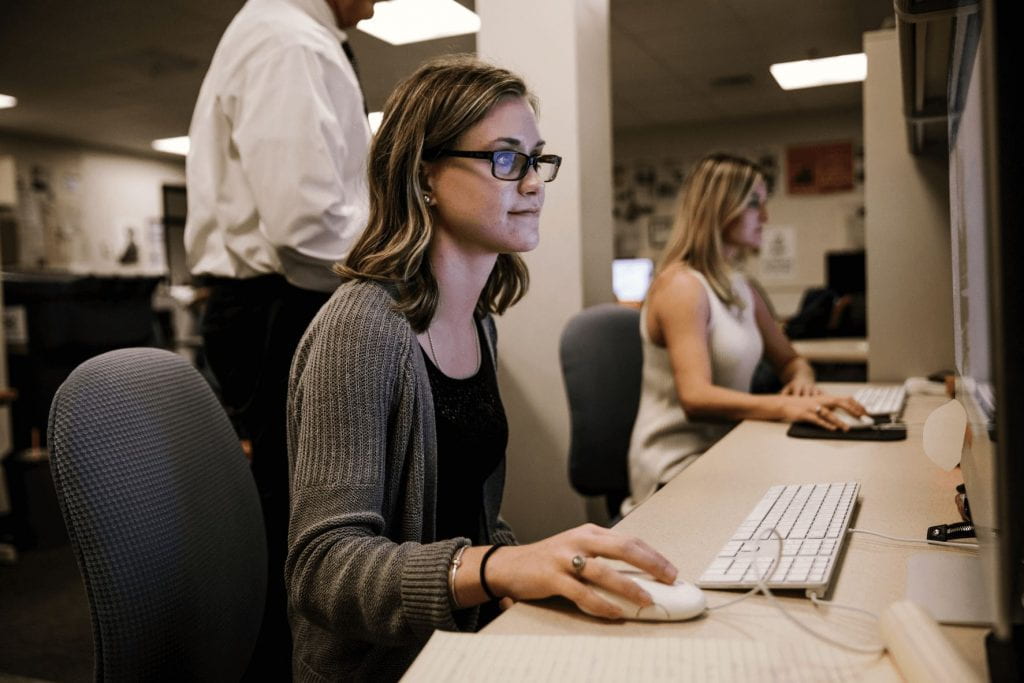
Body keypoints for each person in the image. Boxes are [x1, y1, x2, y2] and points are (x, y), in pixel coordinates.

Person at [286, 55, 678, 681]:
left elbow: (469, 516)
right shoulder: (360, 329)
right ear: (424, 177)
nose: (533, 183)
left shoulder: (477, 320)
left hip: (466, 642)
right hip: (388, 667)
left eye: (536, 159)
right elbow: (323, 569)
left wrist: (530, 568)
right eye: (505, 159)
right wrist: (496, 568)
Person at [184, 0, 383, 677]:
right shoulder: (289, 41)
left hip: (278, 296)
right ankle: (281, 664)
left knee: (294, 501)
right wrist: (399, 259)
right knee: (296, 512)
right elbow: (305, 220)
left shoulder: (297, 34)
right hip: (279, 299)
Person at [622, 153, 867, 514]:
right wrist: (789, 405)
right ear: (719, 207)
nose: (765, 217)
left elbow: (790, 360)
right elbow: (696, 398)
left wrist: (801, 381)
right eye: (754, 203)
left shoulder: (742, 288)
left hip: (728, 451)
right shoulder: (682, 286)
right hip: (675, 467)